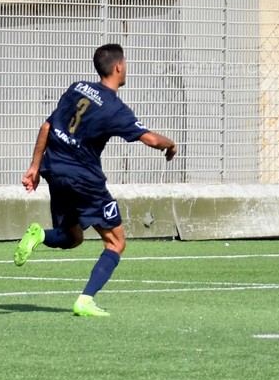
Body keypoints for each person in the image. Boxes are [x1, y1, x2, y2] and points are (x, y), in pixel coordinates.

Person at [14, 43, 177, 317]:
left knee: (72, 236)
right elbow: (149, 139)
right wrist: (171, 144)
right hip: (84, 179)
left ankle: (39, 235)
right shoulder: (114, 108)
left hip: (55, 172)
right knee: (115, 243)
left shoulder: (77, 87)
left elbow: (47, 126)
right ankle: (86, 300)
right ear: (118, 67)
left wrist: (34, 167)